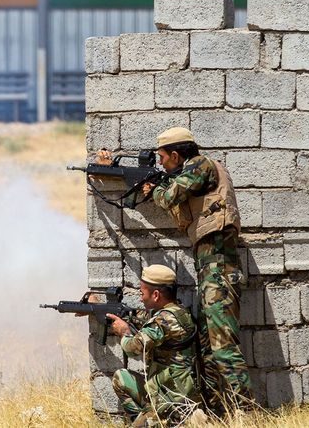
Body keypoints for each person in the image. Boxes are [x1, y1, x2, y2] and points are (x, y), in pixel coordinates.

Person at [100, 127, 251, 412]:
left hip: (219, 267)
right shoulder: (190, 174)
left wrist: (154, 187)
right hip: (210, 269)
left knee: (223, 348)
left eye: (162, 158)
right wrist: (111, 171)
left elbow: (169, 196)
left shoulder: (201, 165)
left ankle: (248, 414)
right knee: (206, 351)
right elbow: (163, 192)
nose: (160, 163)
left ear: (176, 154)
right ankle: (215, 412)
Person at [107, 265, 202, 427]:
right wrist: (95, 310)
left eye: (142, 293)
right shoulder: (178, 311)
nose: (141, 298)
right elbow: (143, 317)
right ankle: (148, 417)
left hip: (172, 399)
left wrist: (124, 332)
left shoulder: (163, 321)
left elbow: (133, 348)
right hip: (175, 388)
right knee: (120, 378)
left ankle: (157, 421)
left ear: (156, 295)